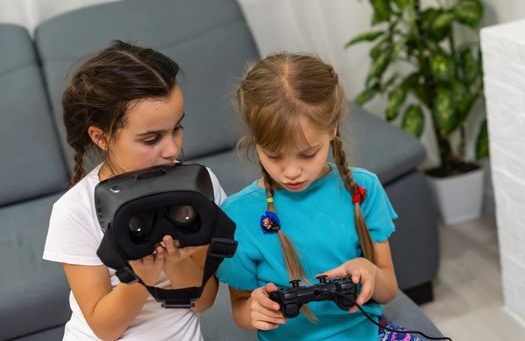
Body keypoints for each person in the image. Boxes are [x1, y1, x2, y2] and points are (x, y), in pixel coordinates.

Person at [43, 40, 225, 341]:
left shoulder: (199, 186)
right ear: (101, 137)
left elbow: (203, 302)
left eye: (177, 128)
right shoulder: (75, 210)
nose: (172, 149)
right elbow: (105, 328)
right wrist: (142, 276)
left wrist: (178, 264)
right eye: (152, 139)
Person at [216, 53, 404, 340]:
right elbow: (240, 310)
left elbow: (388, 289)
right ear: (256, 141)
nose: (291, 172)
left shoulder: (364, 189)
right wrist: (254, 310)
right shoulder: (237, 215)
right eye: (274, 155)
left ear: (332, 129)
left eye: (307, 154)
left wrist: (369, 272)